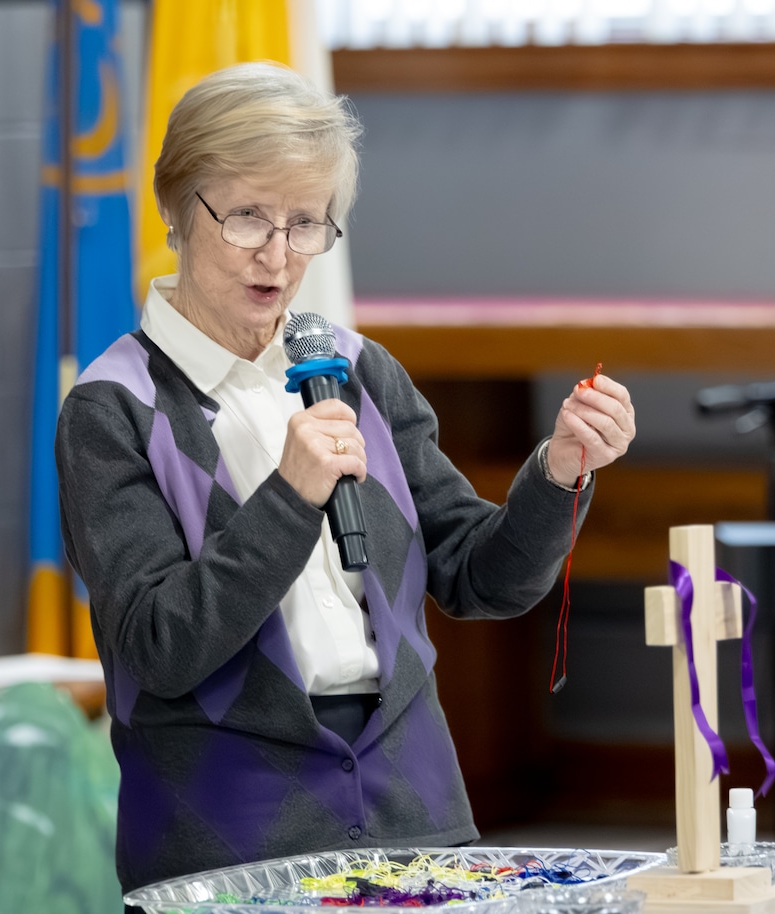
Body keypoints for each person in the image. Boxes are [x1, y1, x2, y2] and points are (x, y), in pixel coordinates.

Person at [54, 61, 636, 900]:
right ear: (178, 207)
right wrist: (290, 498)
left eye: (307, 222)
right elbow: (160, 647)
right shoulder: (113, 410)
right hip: (230, 837)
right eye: (249, 217)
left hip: (413, 816)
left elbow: (481, 578)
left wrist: (557, 474)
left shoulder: (357, 370)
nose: (280, 255)